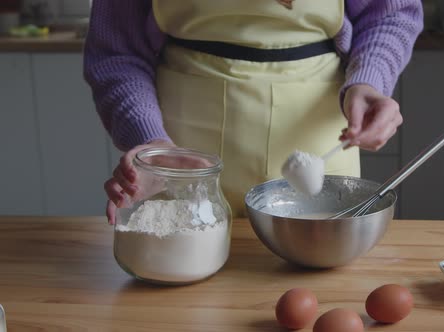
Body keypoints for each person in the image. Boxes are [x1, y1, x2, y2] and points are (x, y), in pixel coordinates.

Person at [84, 0, 424, 223]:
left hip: (318, 140)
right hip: (180, 156)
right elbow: (117, 52)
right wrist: (149, 140)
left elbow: (391, 13)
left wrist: (369, 81)